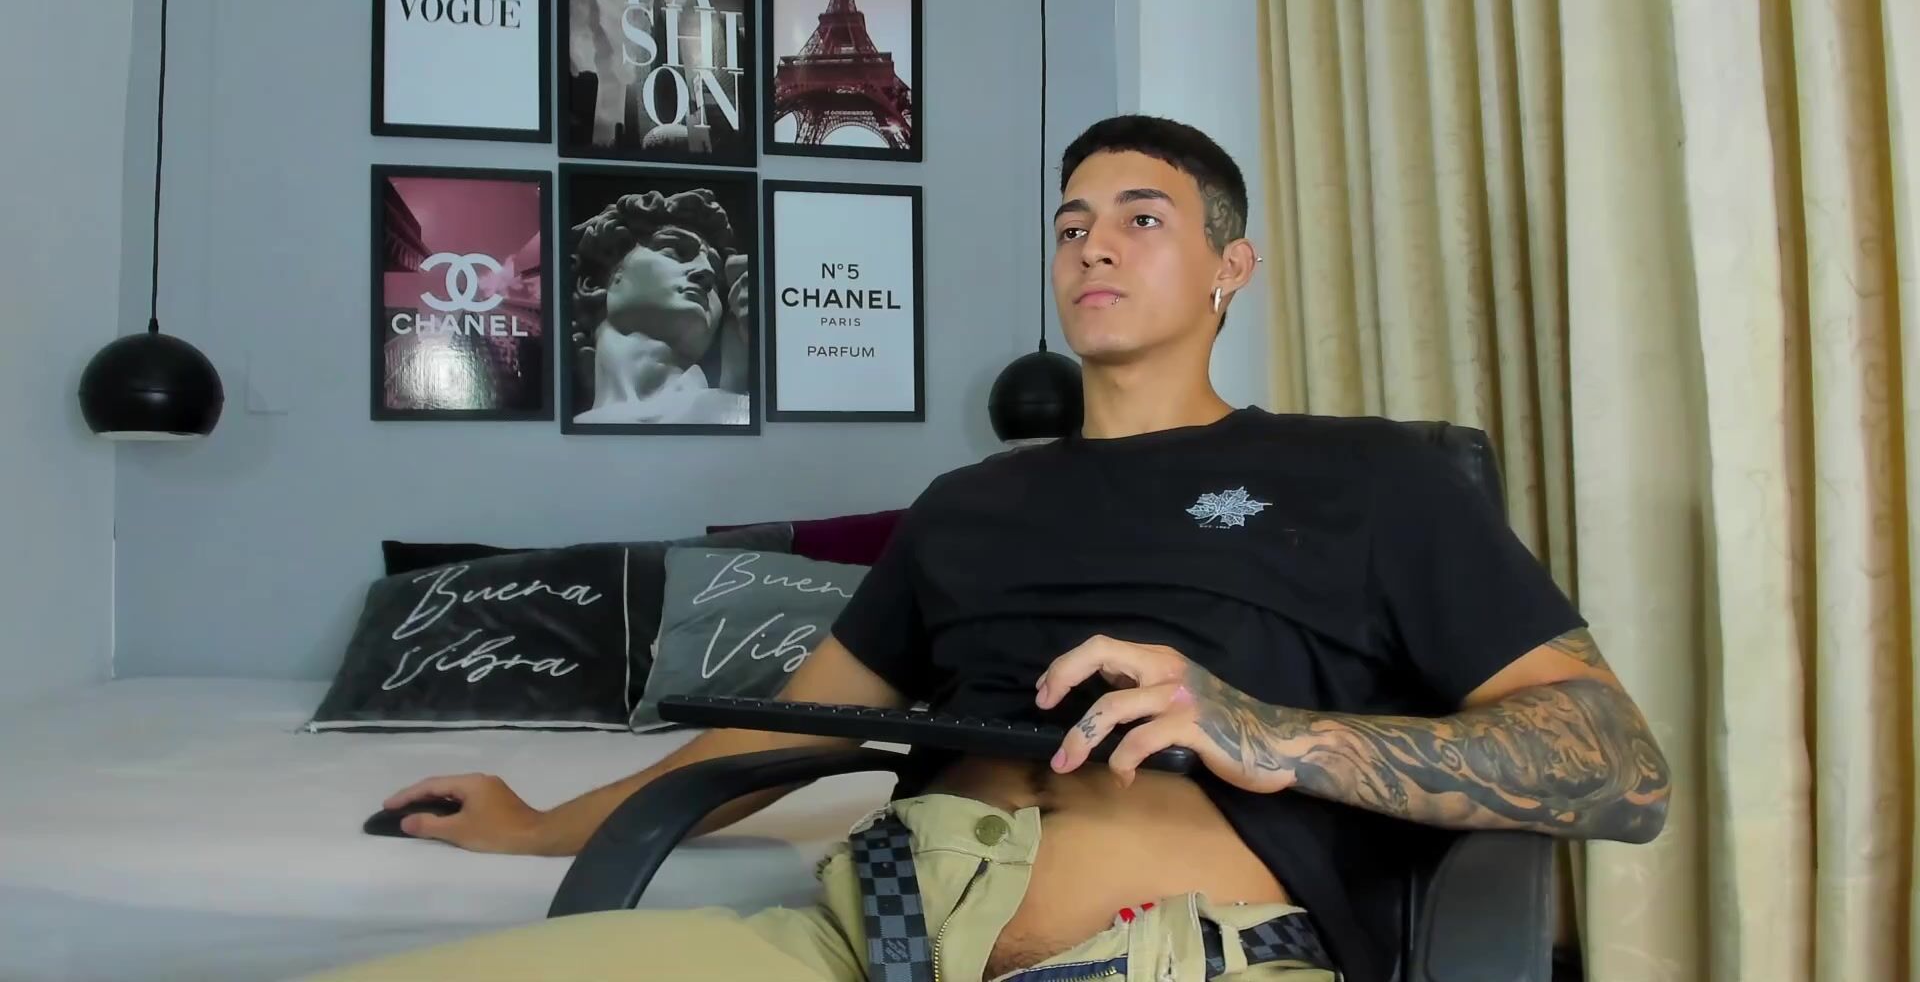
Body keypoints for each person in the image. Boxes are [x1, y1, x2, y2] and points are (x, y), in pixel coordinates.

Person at [314, 115, 1670, 982]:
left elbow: (1619, 763)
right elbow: (772, 737)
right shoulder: (967, 505)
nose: (1092, 245)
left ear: (1230, 269)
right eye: (1071, 225)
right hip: (861, 942)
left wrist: (1268, 733)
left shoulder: (1370, 477)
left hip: (1167, 959)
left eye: (1141, 217)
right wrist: (539, 825)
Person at [568, 187, 752, 425]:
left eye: (717, 277)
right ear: (593, 284)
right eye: (676, 251)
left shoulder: (742, 414)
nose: (706, 272)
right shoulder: (559, 435)